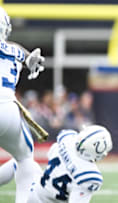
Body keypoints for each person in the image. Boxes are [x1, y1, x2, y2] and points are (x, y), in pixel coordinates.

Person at [0, 6, 46, 203]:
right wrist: (33, 61)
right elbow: (32, 59)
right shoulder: (15, 48)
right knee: (25, 159)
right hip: (9, 110)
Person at [26, 125, 113, 203]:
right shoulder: (89, 176)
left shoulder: (67, 140)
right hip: (51, 200)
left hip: (32, 194)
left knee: (19, 163)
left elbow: (51, 153)